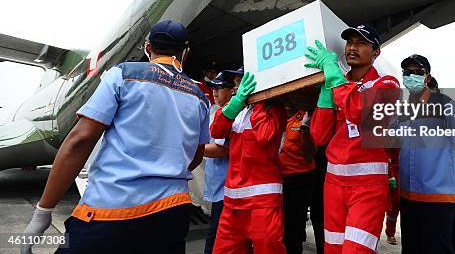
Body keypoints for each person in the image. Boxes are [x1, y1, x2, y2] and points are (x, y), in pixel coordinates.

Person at [21, 20, 210, 254]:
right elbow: (195, 156)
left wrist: (43, 211)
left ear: (147, 47)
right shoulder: (199, 95)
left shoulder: (124, 74)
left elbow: (80, 140)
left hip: (113, 210)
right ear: (186, 51)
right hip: (172, 212)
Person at [306, 24, 400, 253]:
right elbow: (318, 135)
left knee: (356, 250)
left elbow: (360, 111)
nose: (352, 48)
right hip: (334, 185)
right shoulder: (339, 86)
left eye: (361, 43)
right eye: (350, 42)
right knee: (333, 249)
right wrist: (326, 91)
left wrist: (335, 78)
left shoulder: (387, 84)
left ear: (376, 52)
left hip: (368, 186)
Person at [398, 54, 455, 254]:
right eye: (407, 72)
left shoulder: (444, 105)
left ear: (427, 77)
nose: (411, 76)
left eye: (418, 72)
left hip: (436, 199)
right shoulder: (401, 111)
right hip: (408, 197)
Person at [210, 68, 288, 253]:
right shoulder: (237, 109)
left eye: (242, 82)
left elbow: (265, 137)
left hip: (263, 204)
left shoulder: (274, 109)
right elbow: (216, 131)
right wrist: (236, 103)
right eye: (238, 83)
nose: (238, 88)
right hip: (232, 205)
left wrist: (259, 101)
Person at [203, 70, 236, 254]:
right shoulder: (215, 111)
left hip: (227, 188)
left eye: (220, 87)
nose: (215, 92)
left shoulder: (229, 113)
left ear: (233, 90)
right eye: (213, 88)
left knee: (216, 239)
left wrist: (190, 150)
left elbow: (221, 150)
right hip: (219, 186)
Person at [279, 108, 317, 254]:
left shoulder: (306, 115)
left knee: (293, 229)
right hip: (276, 178)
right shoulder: (275, 113)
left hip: (299, 179)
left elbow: (309, 155)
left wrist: (305, 130)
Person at [384, 149, 400, 245]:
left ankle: (390, 232)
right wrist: (390, 174)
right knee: (394, 202)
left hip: (403, 168)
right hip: (392, 168)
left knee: (397, 203)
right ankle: (390, 232)